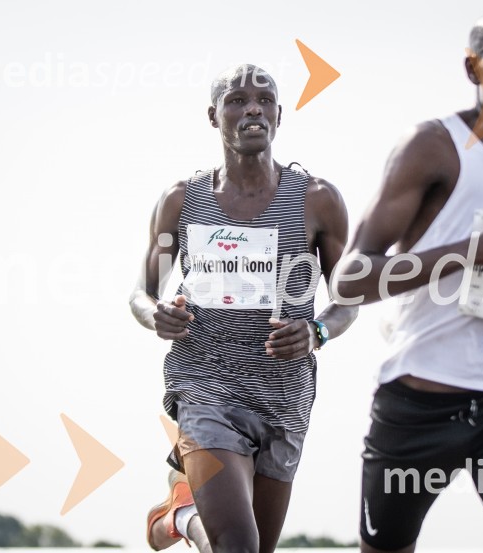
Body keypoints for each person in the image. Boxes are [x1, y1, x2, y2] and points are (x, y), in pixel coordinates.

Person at [332, 9, 483, 553]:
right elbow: (349, 278)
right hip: (418, 401)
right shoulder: (431, 146)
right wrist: (469, 254)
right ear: (474, 68)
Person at [129, 64, 358, 553]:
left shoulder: (317, 200)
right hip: (205, 383)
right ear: (214, 117)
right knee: (236, 544)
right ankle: (188, 512)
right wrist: (157, 315)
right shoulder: (181, 199)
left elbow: (348, 300)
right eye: (236, 100)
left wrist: (316, 331)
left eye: (265, 99)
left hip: (284, 395)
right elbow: (141, 292)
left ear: (278, 115)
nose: (252, 107)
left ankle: (179, 514)